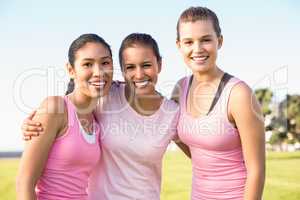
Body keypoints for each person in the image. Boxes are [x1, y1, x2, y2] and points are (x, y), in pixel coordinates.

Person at [21, 33, 190, 200]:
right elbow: (25, 181)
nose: (139, 74)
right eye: (130, 67)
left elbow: (202, 151)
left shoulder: (172, 113)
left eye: (146, 65)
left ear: (159, 64)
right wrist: (37, 121)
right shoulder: (101, 97)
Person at [172, 6, 265, 200]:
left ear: (219, 41)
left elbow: (256, 171)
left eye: (205, 40)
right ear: (179, 45)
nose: (197, 49)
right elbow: (172, 131)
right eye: (189, 42)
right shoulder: (180, 88)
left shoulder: (239, 94)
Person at [16, 33, 113, 200]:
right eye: (87, 64)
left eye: (105, 63)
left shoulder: (95, 118)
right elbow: (24, 183)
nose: (98, 72)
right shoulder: (55, 108)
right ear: (71, 70)